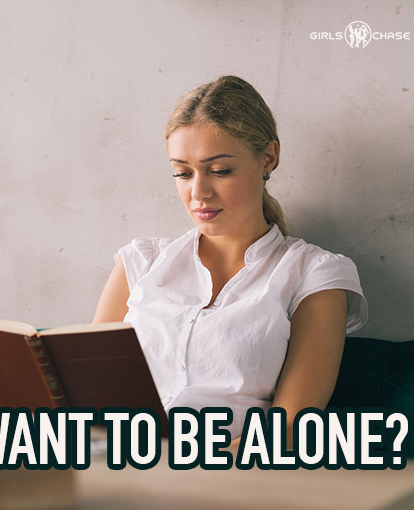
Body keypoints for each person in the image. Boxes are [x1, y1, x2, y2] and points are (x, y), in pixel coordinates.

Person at [92, 75, 367, 449]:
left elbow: (287, 429)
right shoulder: (140, 263)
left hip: (227, 479)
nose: (198, 193)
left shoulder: (314, 275)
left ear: (268, 157)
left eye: (220, 171)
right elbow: (86, 395)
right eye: (182, 173)